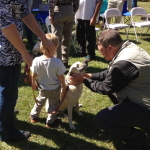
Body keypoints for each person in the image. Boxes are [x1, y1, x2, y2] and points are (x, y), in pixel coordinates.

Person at [67, 29, 150, 150]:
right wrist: (89, 76)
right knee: (114, 93)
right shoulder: (128, 48)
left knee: (103, 119)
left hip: (146, 108)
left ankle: (140, 142)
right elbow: (112, 74)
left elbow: (106, 87)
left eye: (102, 52)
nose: (101, 55)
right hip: (144, 95)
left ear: (110, 47)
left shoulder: (123, 64)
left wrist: (83, 80)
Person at [0, 0, 55, 142]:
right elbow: (5, 23)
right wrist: (24, 53)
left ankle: (5, 115)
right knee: (8, 93)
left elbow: (24, 11)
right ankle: (7, 132)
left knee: (5, 90)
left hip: (9, 50)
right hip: (6, 52)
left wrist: (43, 38)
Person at [30, 33, 67, 128]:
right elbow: (61, 76)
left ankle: (34, 116)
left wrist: (33, 82)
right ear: (56, 47)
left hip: (42, 87)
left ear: (41, 46)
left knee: (39, 102)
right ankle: (50, 122)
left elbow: (34, 74)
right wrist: (64, 85)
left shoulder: (36, 60)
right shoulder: (57, 62)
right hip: (55, 88)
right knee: (53, 104)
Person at [49, 0, 79, 68]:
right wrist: (73, 12)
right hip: (70, 9)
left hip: (59, 10)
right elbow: (77, 2)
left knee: (56, 39)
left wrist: (51, 14)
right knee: (67, 38)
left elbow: (52, 2)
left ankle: (57, 62)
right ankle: (65, 61)